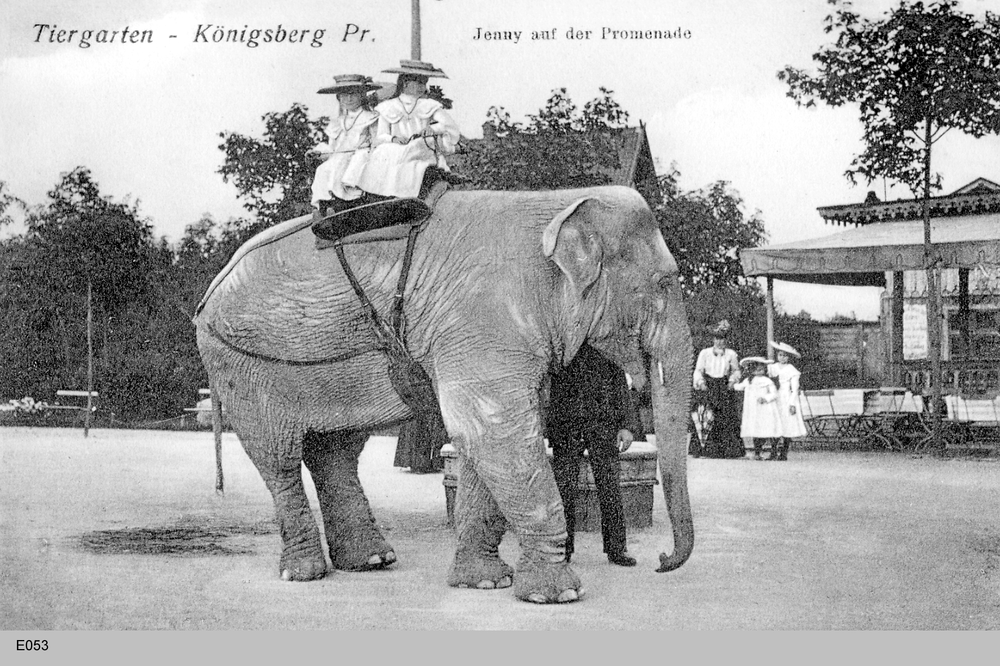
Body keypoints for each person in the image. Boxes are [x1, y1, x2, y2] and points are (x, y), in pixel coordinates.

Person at [545, 344, 641, 567]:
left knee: (609, 487)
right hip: (567, 425)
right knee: (564, 489)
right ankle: (563, 548)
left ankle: (617, 548)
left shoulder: (604, 338)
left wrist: (625, 425)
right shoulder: (562, 337)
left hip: (603, 422)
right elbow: (549, 385)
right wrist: (550, 426)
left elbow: (619, 383)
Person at [355, 59, 461, 200]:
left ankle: (409, 195)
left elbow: (449, 125)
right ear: (405, 83)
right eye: (417, 82)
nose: (421, 87)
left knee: (413, 150)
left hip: (420, 146)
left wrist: (433, 128)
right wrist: (394, 139)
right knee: (384, 152)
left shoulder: (429, 105)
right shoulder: (388, 106)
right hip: (395, 147)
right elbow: (381, 135)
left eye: (423, 83)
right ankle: (385, 195)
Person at [309, 74, 381, 219]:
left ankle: (342, 204)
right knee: (323, 169)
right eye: (344, 95)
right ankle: (324, 206)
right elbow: (332, 147)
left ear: (361, 96)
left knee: (341, 165)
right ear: (339, 98)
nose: (348, 99)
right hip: (339, 155)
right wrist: (318, 152)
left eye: (353, 94)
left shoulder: (370, 117)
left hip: (361, 155)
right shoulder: (337, 122)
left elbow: (376, 141)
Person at [692, 320, 744, 458]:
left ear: (726, 340)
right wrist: (701, 382)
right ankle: (705, 449)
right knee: (707, 415)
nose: (719, 342)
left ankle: (727, 451)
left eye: (722, 339)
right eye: (717, 339)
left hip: (724, 386)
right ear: (713, 339)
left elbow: (736, 371)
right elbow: (698, 370)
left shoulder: (731, 354)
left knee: (726, 417)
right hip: (709, 385)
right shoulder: (705, 353)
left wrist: (732, 381)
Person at [734, 357, 782, 460]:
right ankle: (757, 452)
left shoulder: (767, 381)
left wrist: (765, 398)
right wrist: (734, 383)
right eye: (756, 369)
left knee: (768, 429)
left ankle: (773, 452)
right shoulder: (748, 381)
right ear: (752, 370)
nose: (759, 372)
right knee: (756, 430)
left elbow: (774, 393)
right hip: (753, 409)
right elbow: (739, 387)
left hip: (765, 409)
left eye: (761, 369)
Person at [768, 341, 807, 461]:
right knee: (774, 423)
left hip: (785, 396)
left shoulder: (792, 370)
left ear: (789, 357)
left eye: (785, 355)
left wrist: (792, 403)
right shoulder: (772, 367)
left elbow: (794, 389)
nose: (782, 357)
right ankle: (773, 451)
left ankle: (784, 452)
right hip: (775, 395)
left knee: (787, 423)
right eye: (780, 355)